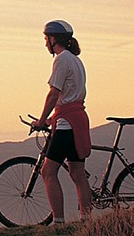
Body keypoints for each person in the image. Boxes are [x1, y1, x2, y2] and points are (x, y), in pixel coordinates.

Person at [30, 19, 92, 221]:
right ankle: (86, 219)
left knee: (48, 171)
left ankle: (58, 221)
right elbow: (71, 96)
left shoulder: (61, 59)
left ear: (53, 38)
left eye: (45, 39)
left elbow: (54, 94)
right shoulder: (76, 60)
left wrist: (41, 120)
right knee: (78, 173)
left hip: (66, 125)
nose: (45, 43)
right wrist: (52, 118)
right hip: (77, 120)